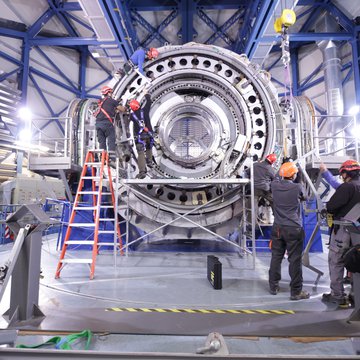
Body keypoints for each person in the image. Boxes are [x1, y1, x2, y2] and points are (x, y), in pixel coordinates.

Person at [269, 161, 310, 300]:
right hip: (293, 228)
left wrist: (282, 167)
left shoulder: (274, 186)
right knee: (295, 260)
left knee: (276, 257)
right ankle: (296, 292)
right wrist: (298, 177)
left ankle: (273, 286)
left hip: (278, 228)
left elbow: (275, 177)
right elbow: (305, 197)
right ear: (293, 175)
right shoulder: (297, 187)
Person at [322, 159, 360, 305]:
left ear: (346, 173)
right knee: (356, 262)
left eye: (342, 173)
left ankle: (338, 296)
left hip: (343, 231)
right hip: (358, 232)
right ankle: (355, 295)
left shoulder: (347, 187)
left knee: (336, 261)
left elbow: (331, 206)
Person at [129, 92, 154, 179]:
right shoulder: (145, 110)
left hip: (140, 137)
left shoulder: (132, 116)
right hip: (149, 135)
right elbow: (149, 102)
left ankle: (142, 171)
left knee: (141, 153)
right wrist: (146, 95)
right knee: (149, 148)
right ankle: (150, 162)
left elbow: (125, 114)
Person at [94, 86, 123, 159]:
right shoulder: (112, 100)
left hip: (98, 123)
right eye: (111, 92)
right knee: (111, 139)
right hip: (107, 123)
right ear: (108, 93)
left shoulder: (101, 102)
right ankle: (112, 158)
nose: (112, 94)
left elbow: (107, 110)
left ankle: (102, 158)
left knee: (102, 142)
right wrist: (126, 108)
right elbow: (121, 109)